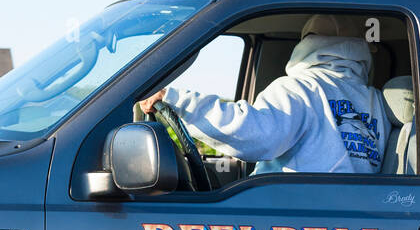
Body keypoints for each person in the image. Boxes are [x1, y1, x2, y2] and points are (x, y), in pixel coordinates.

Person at [139, 14, 390, 174]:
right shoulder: (376, 100)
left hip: (294, 220)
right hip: (348, 222)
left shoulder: (300, 88)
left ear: (306, 44)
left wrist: (177, 100)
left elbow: (252, 133)